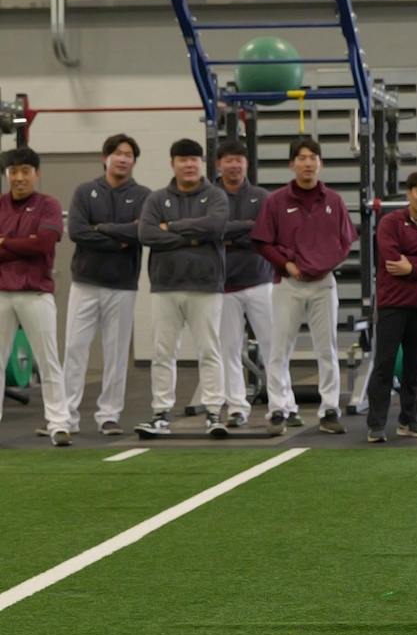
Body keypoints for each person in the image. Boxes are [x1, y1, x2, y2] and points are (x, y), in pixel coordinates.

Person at [252, 137, 356, 436]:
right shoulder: (276, 201)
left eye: (313, 157)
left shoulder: (333, 201)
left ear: (320, 164)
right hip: (288, 284)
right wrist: (287, 266)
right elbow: (262, 241)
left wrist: (326, 264)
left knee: (327, 349)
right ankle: (278, 410)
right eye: (302, 157)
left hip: (324, 284)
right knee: (278, 350)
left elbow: (346, 241)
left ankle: (330, 410)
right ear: (292, 164)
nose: (308, 162)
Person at [134, 139, 229, 439]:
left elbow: (214, 227)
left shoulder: (216, 196)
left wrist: (170, 227)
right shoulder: (156, 198)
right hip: (165, 286)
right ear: (172, 163)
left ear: (202, 163)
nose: (189, 164)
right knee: (162, 353)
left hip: (206, 286)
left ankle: (214, 412)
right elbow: (146, 233)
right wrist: (190, 235)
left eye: (194, 159)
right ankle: (161, 413)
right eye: (183, 159)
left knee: (209, 351)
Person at [60, 134, 150, 436]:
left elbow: (141, 234)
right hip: (85, 283)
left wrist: (103, 230)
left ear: (134, 162)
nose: (122, 159)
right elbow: (77, 232)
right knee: (74, 349)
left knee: (116, 354)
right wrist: (120, 238)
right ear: (105, 157)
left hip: (123, 286)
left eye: (128, 155)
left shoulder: (143, 195)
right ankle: (65, 417)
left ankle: (109, 415)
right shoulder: (85, 192)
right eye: (117, 153)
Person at [212, 140, 292, 428]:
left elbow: (267, 236)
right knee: (228, 350)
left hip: (260, 282)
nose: (234, 165)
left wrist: (232, 235)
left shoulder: (263, 197)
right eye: (229, 160)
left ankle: (281, 404)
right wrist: (247, 228)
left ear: (246, 164)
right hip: (222, 286)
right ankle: (236, 407)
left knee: (274, 346)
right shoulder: (210, 196)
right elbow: (211, 233)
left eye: (239, 160)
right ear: (218, 165)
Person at [367, 170, 417, 442]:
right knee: (385, 364)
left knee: (413, 367)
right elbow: (392, 261)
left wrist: (411, 266)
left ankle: (408, 420)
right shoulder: (390, 223)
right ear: (409, 193)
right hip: (393, 303)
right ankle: (376, 424)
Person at [0, 147, 70, 446]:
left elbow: (43, 244)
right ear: (7, 175)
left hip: (36, 293)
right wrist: (22, 243)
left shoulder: (48, 205)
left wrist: (3, 241)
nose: (19, 178)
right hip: (2, 293)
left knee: (48, 360)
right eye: (13, 172)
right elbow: (32, 244)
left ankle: (59, 424)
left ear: (36, 174)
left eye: (25, 171)